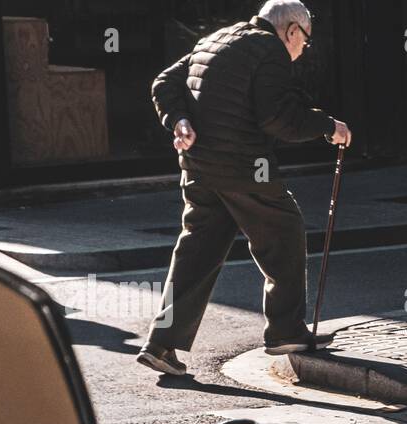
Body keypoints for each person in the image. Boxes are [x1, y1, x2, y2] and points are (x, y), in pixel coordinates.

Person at [137, 1, 351, 376]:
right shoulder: (269, 50)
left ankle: (161, 344)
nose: (303, 50)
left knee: (196, 254)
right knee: (284, 232)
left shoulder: (215, 39)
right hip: (245, 167)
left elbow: (164, 82)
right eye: (305, 41)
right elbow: (278, 119)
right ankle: (286, 331)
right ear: (292, 31)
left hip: (200, 168)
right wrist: (327, 126)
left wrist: (179, 120)